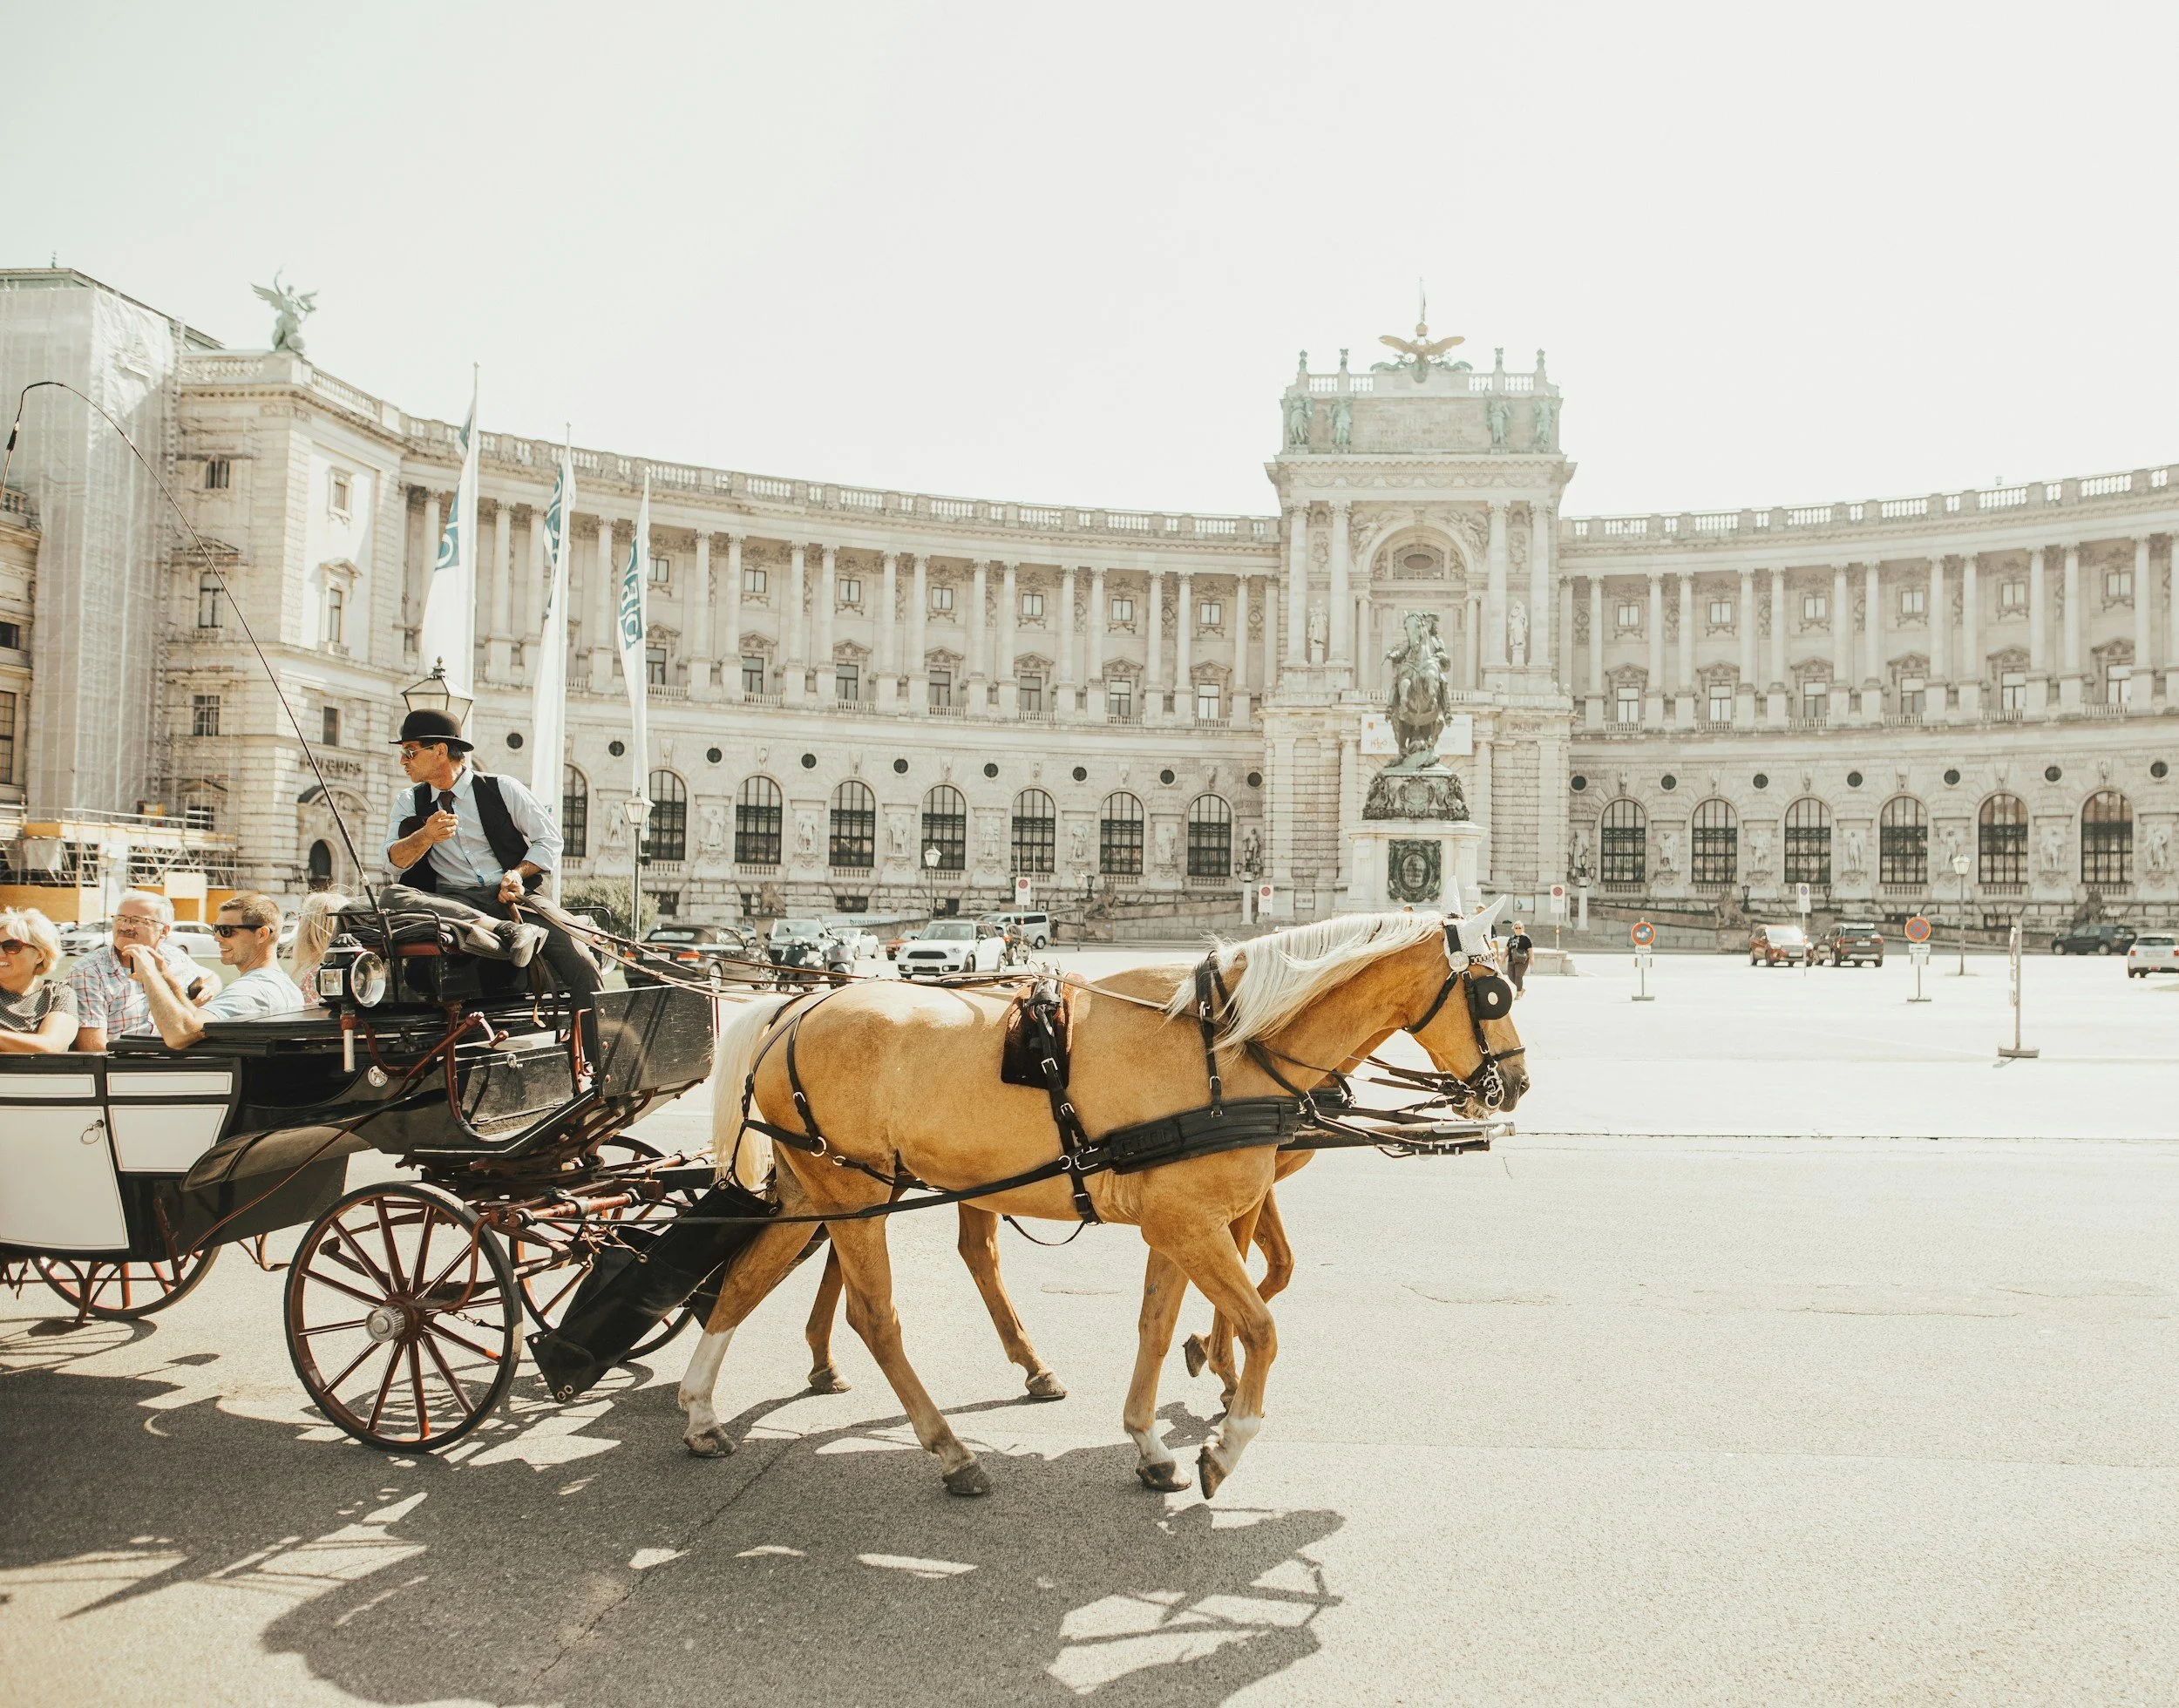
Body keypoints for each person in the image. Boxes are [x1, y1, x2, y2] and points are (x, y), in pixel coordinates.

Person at [381, 708, 600, 1000]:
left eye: (410, 752)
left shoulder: (503, 788)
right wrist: (426, 836)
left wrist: (517, 875)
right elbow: (391, 862)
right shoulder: (409, 801)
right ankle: (507, 931)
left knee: (582, 963)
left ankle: (603, 1041)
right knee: (391, 896)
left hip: (512, 897)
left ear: (440, 751)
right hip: (452, 902)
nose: (403, 761)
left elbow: (549, 841)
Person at [129, 892, 304, 1048]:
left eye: (226, 931)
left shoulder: (252, 989)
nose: (217, 937)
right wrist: (167, 979)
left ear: (261, 934)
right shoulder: (283, 985)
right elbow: (195, 1020)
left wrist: (151, 976)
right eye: (216, 928)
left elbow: (180, 1034)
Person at [67, 889, 218, 1050]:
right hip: (126, 1066)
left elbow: (212, 978)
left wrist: (208, 991)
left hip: (181, 1058)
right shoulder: (89, 971)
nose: (125, 926)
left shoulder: (173, 957)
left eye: (136, 920)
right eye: (120, 919)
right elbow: (93, 1046)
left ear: (164, 931)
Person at [0, 907, 78, 1054]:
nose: (0, 953)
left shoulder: (57, 994)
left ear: (39, 955)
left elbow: (51, 1046)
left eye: (11, 946)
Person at [1505, 916, 1535, 995]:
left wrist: (1532, 959)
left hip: (1522, 961)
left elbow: (1530, 950)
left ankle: (1518, 993)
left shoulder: (1526, 938)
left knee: (1518, 977)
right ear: (1513, 929)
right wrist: (1502, 958)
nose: (1518, 929)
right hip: (1511, 960)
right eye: (1516, 928)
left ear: (1522, 928)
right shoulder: (1511, 938)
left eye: (1519, 928)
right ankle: (1521, 989)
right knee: (1511, 976)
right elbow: (1507, 949)